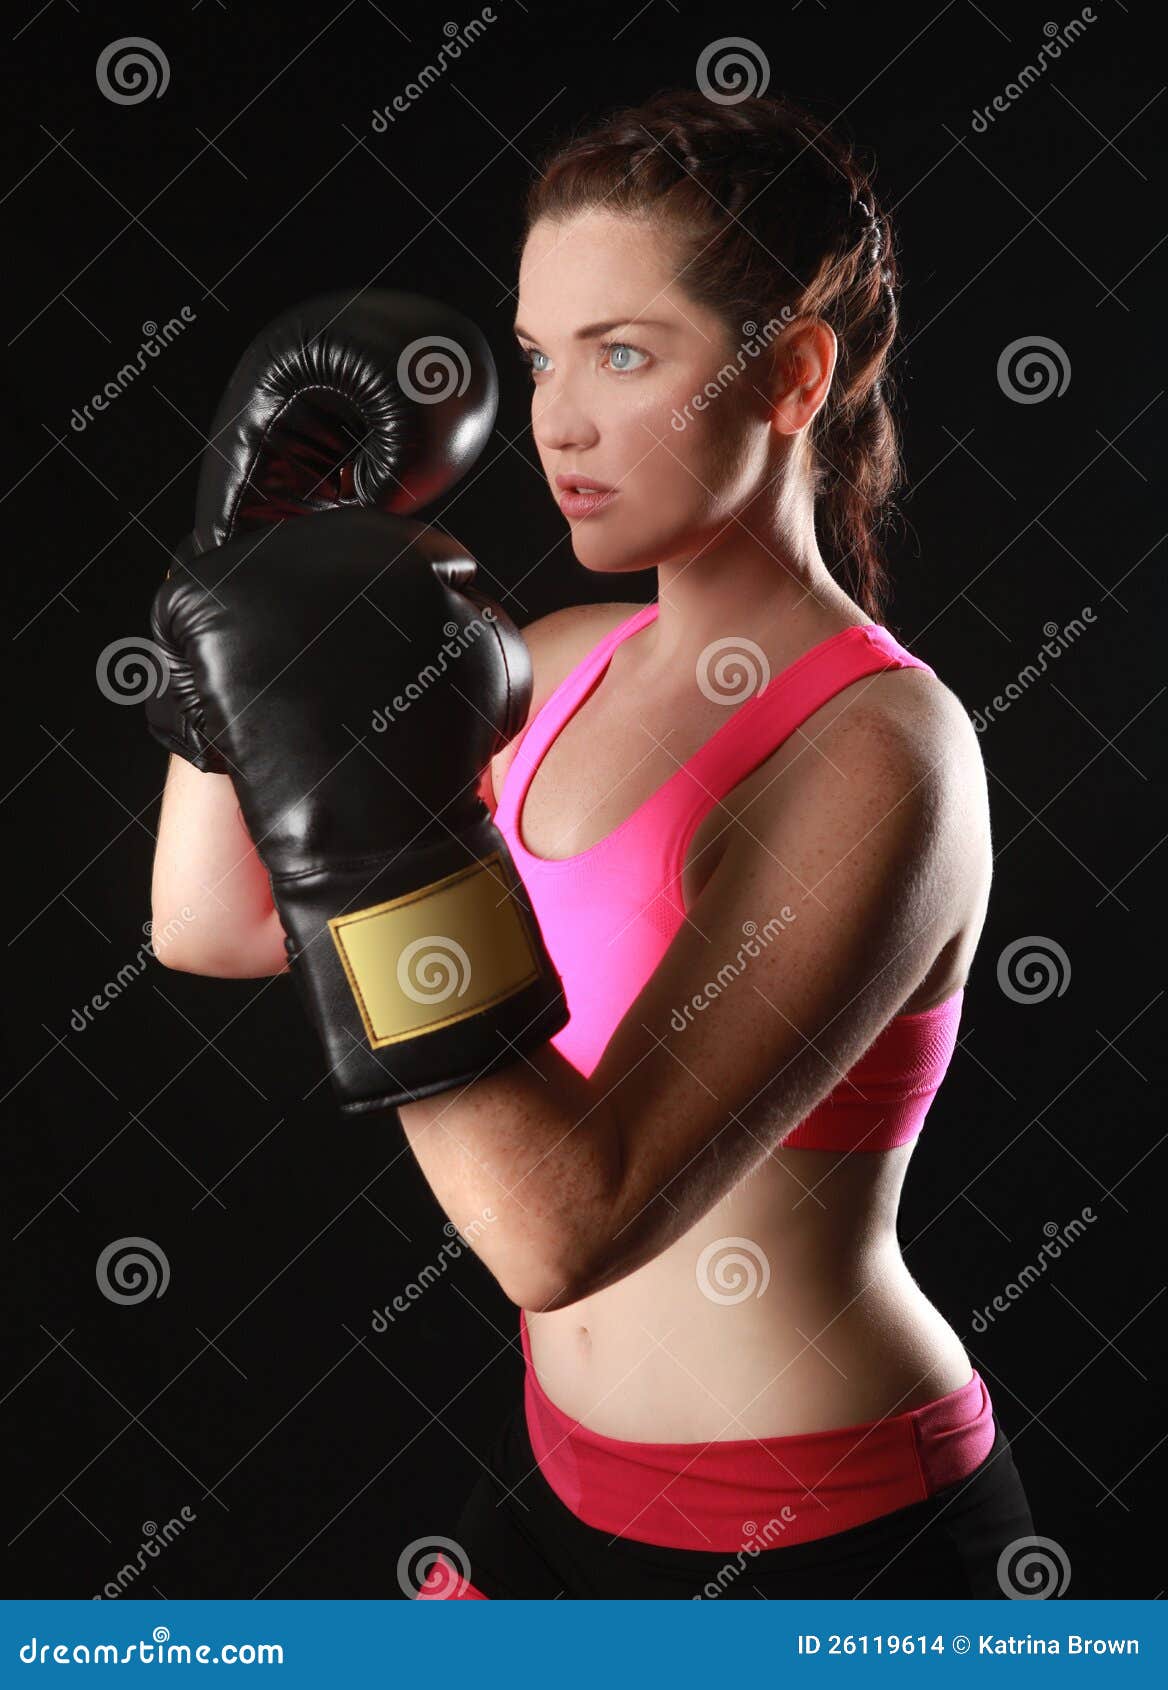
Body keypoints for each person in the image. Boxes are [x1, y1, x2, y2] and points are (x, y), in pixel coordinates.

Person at [151, 89, 1035, 1600]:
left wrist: (365, 810)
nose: (557, 418)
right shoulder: (545, 660)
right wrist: (248, 592)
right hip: (561, 1485)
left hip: (833, 1540)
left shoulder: (885, 755)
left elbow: (567, 1225)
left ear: (793, 375)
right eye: (545, 356)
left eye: (627, 354)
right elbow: (213, 922)